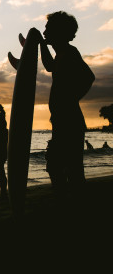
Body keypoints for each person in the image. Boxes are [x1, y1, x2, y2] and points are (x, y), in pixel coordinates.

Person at [30, 11, 94, 196]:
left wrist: (71, 99)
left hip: (69, 121)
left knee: (63, 166)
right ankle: (69, 200)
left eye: (48, 29)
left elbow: (89, 77)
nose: (44, 32)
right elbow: (49, 66)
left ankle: (70, 203)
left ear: (58, 32)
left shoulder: (69, 52)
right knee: (61, 165)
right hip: (62, 120)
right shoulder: (61, 54)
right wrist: (42, 44)